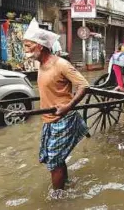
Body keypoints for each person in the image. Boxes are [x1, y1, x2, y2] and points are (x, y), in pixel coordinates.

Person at [23, 18, 89, 195]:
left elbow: (84, 85)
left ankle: (57, 198)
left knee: (53, 162)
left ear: (41, 46)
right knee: (54, 158)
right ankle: (64, 184)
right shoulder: (40, 63)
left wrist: (69, 106)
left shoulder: (61, 64)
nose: (26, 49)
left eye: (29, 46)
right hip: (49, 119)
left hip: (63, 118)